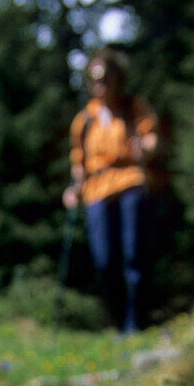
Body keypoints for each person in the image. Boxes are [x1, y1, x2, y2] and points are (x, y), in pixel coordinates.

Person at [63, 49, 159, 334]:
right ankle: (119, 323)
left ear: (118, 78)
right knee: (105, 261)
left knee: (135, 256)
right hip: (96, 190)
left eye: (105, 78)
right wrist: (75, 188)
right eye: (94, 80)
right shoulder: (84, 121)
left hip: (130, 181)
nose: (100, 85)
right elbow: (78, 162)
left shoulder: (133, 108)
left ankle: (135, 325)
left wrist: (149, 146)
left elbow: (150, 135)